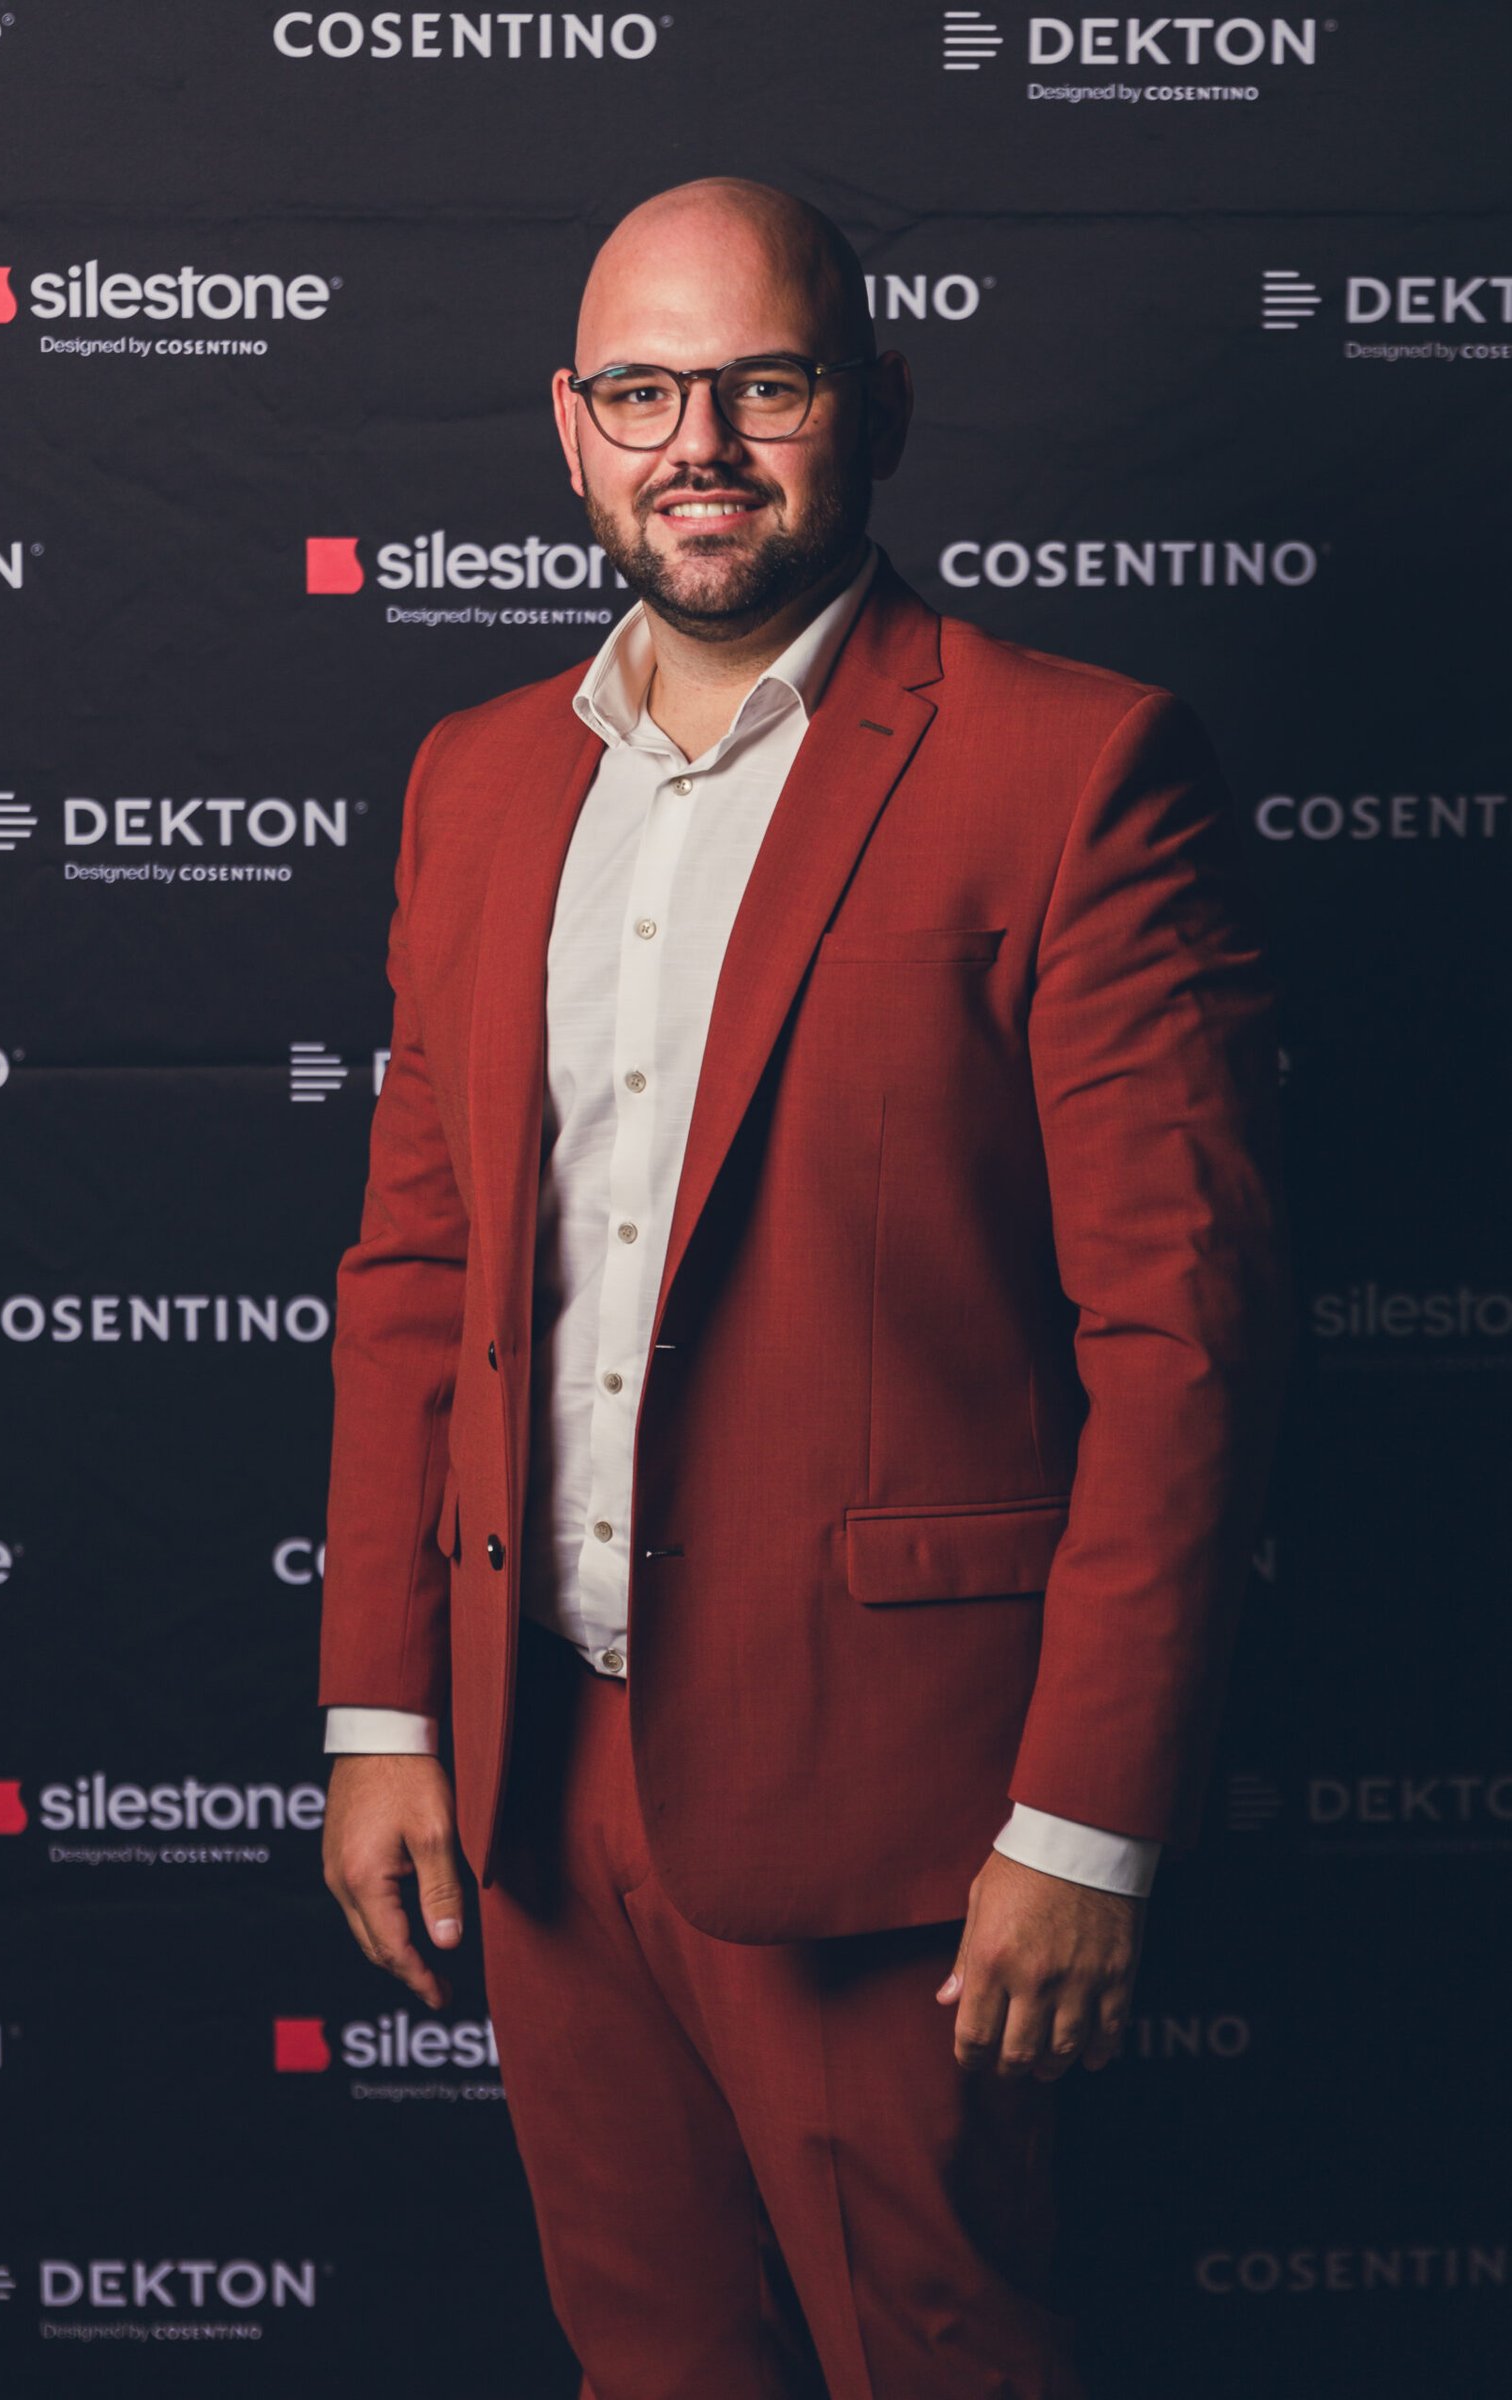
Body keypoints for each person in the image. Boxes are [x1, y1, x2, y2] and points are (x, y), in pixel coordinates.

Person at [317, 175, 1294, 2399]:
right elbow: (417, 1272)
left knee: (940, 2362)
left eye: (763, 385)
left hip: (897, 1803)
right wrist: (384, 1715)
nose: (700, 446)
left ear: (875, 407)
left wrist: (1082, 1822)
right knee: (649, 2362)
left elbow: (1181, 1343)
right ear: (568, 426)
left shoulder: (1072, 768)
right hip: (539, 1780)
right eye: (643, 392)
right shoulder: (476, 783)